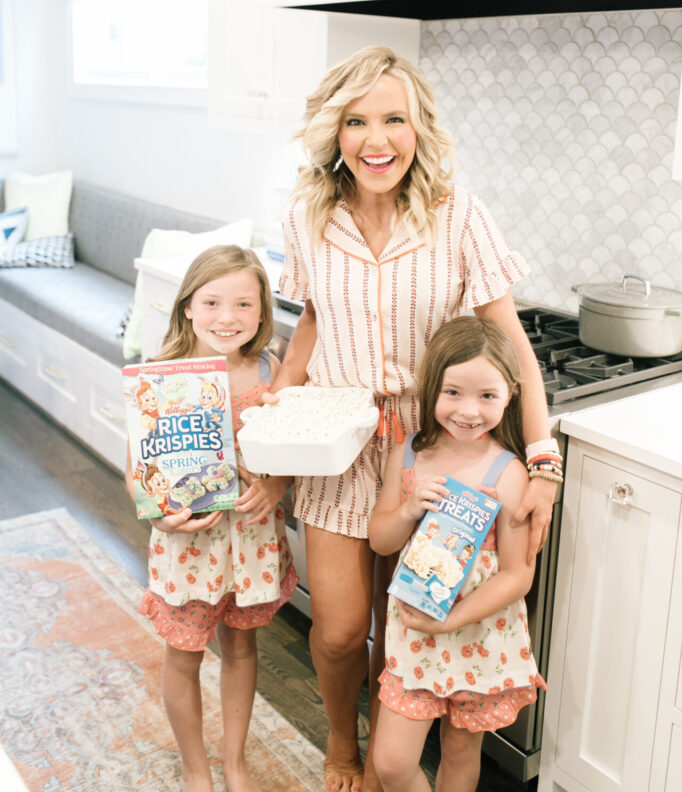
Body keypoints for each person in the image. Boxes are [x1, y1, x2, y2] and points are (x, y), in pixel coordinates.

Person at [273, 45, 561, 792]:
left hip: (433, 450)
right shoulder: (306, 215)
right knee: (340, 631)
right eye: (356, 121)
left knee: (401, 623)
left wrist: (542, 462)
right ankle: (342, 742)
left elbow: (513, 350)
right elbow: (312, 320)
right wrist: (273, 409)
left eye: (393, 120)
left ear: (418, 127)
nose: (376, 140)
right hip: (338, 441)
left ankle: (382, 764)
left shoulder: (457, 214)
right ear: (334, 132)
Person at [125, 245, 297, 792]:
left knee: (241, 647)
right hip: (188, 546)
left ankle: (235, 762)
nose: (228, 317)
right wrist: (160, 518)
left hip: (251, 539)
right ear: (188, 308)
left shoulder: (270, 371)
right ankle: (195, 767)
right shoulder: (160, 376)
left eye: (244, 304)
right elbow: (137, 469)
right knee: (185, 653)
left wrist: (276, 485)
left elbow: (290, 451)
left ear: (263, 311)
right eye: (213, 302)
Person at [369, 316, 546, 792]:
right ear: (432, 388)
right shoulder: (408, 456)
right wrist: (408, 509)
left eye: (487, 396)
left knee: (461, 752)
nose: (469, 411)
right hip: (414, 636)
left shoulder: (508, 473)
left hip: (479, 635)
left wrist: (452, 620)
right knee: (391, 764)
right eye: (453, 393)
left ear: (509, 394)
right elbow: (380, 541)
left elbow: (517, 575)